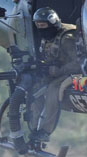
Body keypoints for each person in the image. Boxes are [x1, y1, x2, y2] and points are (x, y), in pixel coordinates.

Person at [28, 7, 82, 143]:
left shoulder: (67, 38)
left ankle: (45, 131)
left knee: (53, 90)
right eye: (38, 26)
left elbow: (79, 63)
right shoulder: (48, 37)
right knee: (34, 89)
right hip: (55, 72)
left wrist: (59, 71)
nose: (41, 29)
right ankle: (33, 128)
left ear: (52, 23)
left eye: (43, 26)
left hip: (74, 73)